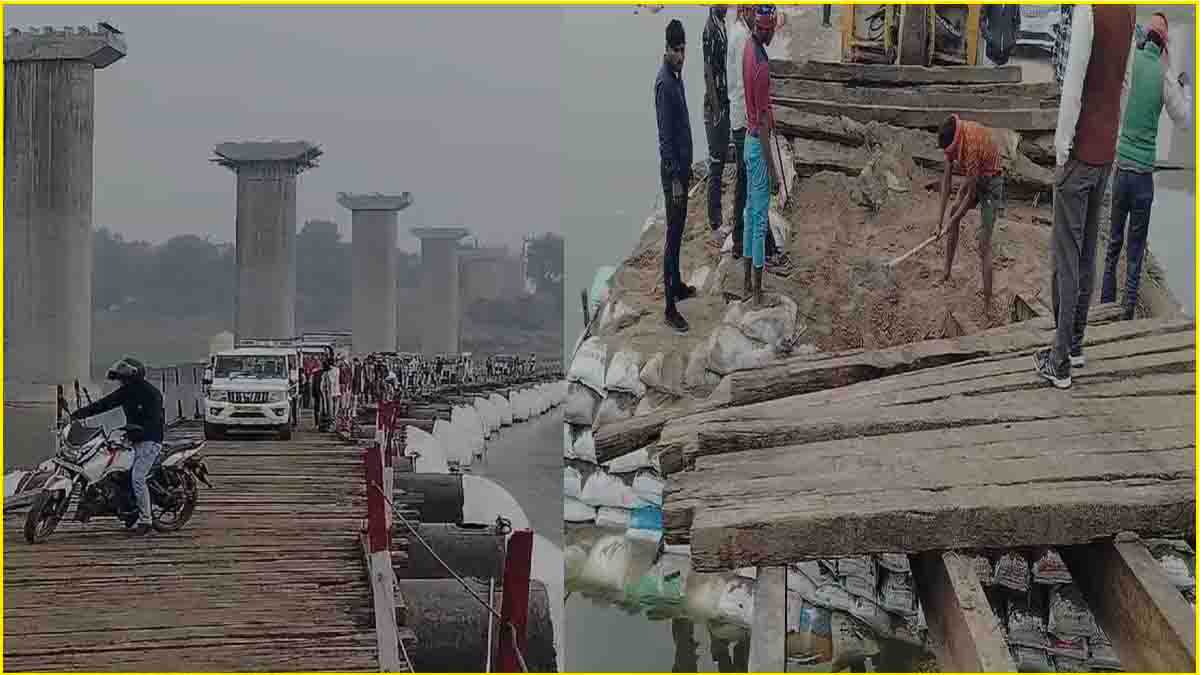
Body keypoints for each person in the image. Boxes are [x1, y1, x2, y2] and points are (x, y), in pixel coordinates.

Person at [1035, 4, 1135, 390]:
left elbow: (1073, 84)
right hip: (1105, 153)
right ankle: (1075, 344)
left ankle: (1059, 361)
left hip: (1079, 155)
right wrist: (1111, 135)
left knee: (1066, 258)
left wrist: (1063, 149)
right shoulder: (1129, 11)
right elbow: (1122, 84)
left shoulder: (1089, 10)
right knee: (1088, 250)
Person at [1101, 12, 1191, 320]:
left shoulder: (1131, 65)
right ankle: (1126, 314)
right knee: (1135, 251)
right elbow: (1185, 122)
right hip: (1142, 179)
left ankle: (1105, 305)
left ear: (1143, 39)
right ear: (1164, 46)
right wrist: (1185, 90)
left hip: (1121, 169)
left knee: (1113, 244)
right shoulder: (1165, 79)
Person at [69, 356, 164, 535]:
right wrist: (78, 415)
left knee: (137, 477)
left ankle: (146, 521)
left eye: (122, 379)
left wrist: (139, 431)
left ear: (131, 377)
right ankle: (127, 509)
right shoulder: (126, 392)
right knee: (114, 469)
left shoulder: (151, 394)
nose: (120, 382)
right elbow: (104, 404)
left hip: (150, 440)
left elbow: (155, 420)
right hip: (132, 438)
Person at [934, 114, 1006, 307]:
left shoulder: (971, 147)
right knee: (953, 212)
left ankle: (988, 303)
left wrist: (952, 222)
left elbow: (969, 196)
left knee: (984, 244)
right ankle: (946, 272)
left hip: (992, 180)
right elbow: (947, 182)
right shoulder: (953, 140)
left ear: (956, 143)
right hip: (976, 174)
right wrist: (940, 221)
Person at [655, 18, 697, 333]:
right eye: (676, 50)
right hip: (673, 177)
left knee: (679, 231)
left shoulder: (677, 76)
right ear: (666, 49)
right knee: (671, 237)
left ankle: (678, 283)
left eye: (683, 50)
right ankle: (670, 306)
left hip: (682, 170)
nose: (681, 56)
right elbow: (665, 138)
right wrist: (675, 178)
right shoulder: (664, 83)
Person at [741, 5, 782, 307]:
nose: (773, 35)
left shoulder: (747, 49)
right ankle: (757, 293)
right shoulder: (762, 65)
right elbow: (764, 125)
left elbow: (759, 107)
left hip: (747, 139)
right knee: (758, 220)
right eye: (773, 30)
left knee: (748, 213)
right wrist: (774, 171)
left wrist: (766, 111)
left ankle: (745, 282)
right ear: (765, 29)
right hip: (758, 144)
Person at [702, 6, 730, 242]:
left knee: (720, 161)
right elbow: (708, 71)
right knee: (716, 163)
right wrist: (716, 106)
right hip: (715, 106)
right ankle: (715, 222)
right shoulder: (710, 29)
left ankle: (718, 216)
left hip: (724, 99)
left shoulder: (722, 23)